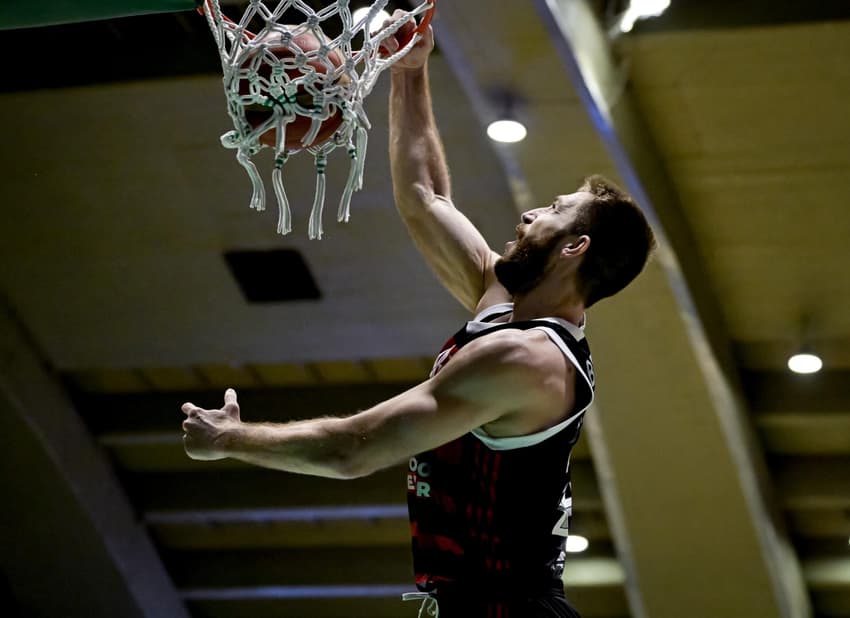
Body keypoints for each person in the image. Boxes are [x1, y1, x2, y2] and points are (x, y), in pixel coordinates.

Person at [181, 16, 656, 618]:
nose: (530, 213)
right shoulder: (504, 302)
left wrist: (228, 439)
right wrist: (410, 69)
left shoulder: (525, 359)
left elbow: (356, 448)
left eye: (555, 211)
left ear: (574, 248)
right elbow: (425, 195)